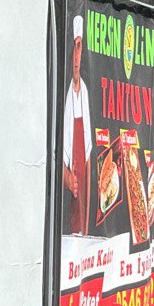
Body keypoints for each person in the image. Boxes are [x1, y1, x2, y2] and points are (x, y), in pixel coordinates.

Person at [63, 14, 93, 236]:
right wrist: (66, 176)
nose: (77, 56)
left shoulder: (84, 91)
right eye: (75, 48)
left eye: (80, 49)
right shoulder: (65, 90)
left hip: (83, 162)